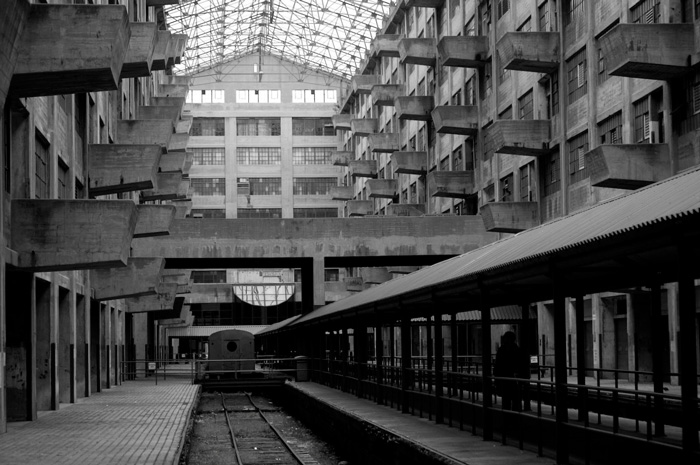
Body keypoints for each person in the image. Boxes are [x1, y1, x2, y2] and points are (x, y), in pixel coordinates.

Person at [494, 331, 523, 411]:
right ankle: (515, 417)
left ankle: (507, 418)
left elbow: (497, 366)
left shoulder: (501, 350)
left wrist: (497, 380)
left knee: (506, 401)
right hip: (514, 379)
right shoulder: (517, 349)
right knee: (516, 400)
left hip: (505, 378)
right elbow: (520, 364)